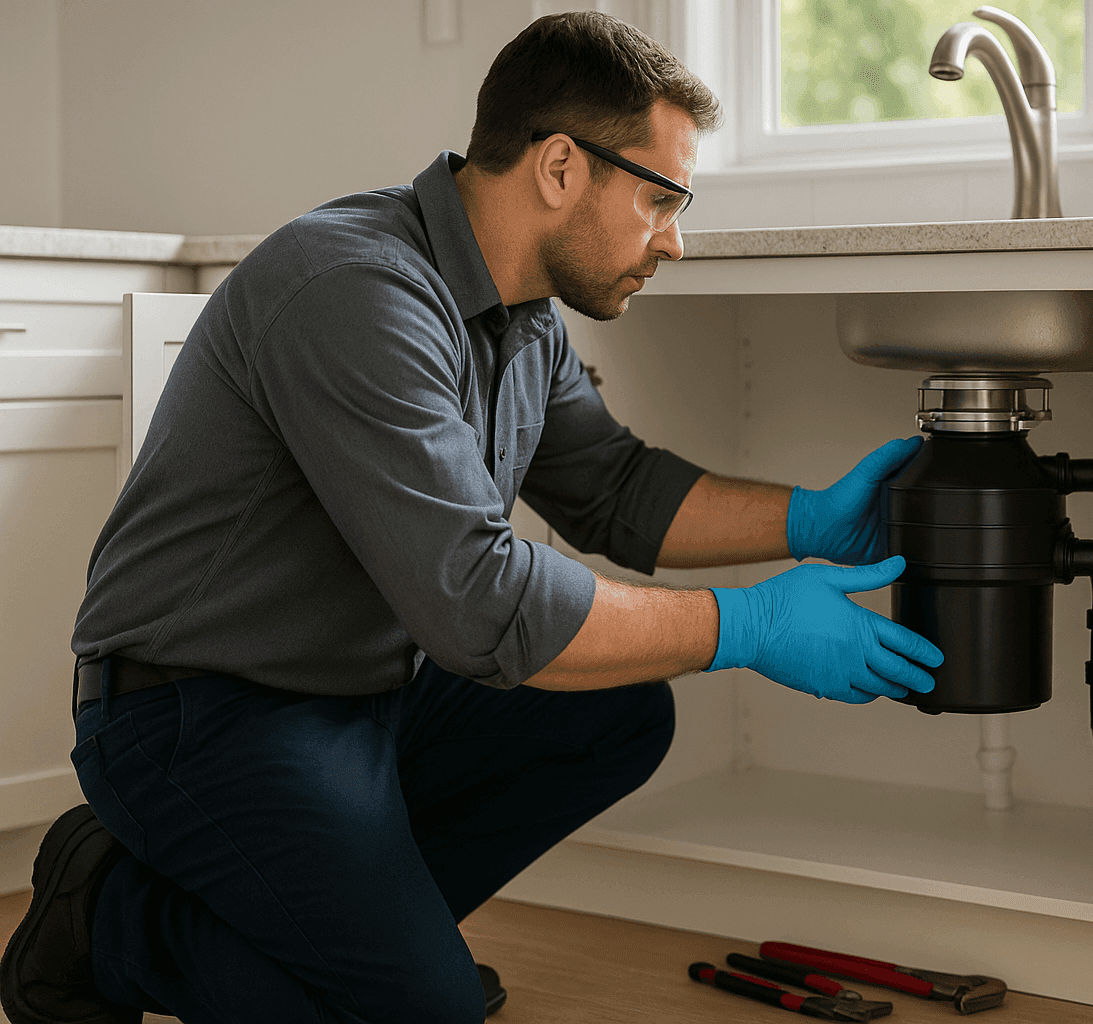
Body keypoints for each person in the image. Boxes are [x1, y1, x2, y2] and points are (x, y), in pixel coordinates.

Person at [0, 11, 943, 1024]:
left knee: (617, 710)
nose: (674, 238)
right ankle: (106, 910)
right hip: (196, 713)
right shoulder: (359, 291)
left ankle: (353, 949)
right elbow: (483, 605)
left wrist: (812, 519)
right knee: (419, 1009)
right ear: (558, 168)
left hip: (362, 693)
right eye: (660, 198)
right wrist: (748, 627)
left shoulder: (520, 314)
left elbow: (617, 490)